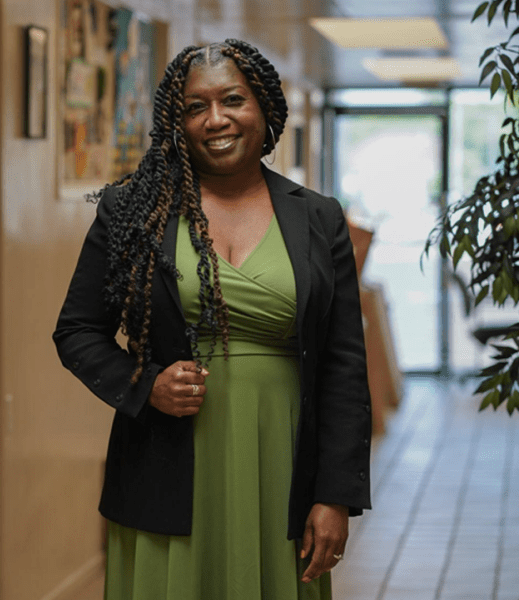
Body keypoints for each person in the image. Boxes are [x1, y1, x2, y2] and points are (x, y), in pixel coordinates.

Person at [53, 39, 371, 600]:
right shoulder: (133, 211)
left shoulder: (318, 218)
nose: (216, 119)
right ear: (177, 123)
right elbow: (77, 331)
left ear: (264, 108)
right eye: (195, 107)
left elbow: (344, 364)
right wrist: (145, 384)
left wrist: (336, 494)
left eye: (232, 100)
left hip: (282, 460)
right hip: (165, 466)